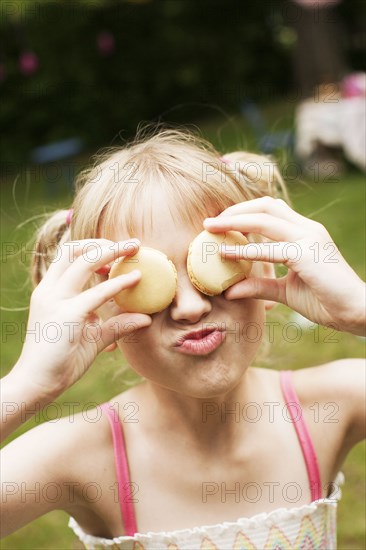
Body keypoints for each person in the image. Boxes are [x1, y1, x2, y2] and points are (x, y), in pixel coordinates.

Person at [1, 127, 365, 550]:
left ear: (265, 267)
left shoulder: (332, 405)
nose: (190, 307)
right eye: (142, 283)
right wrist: (27, 384)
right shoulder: (87, 456)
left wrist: (361, 310)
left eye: (215, 261)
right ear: (98, 310)